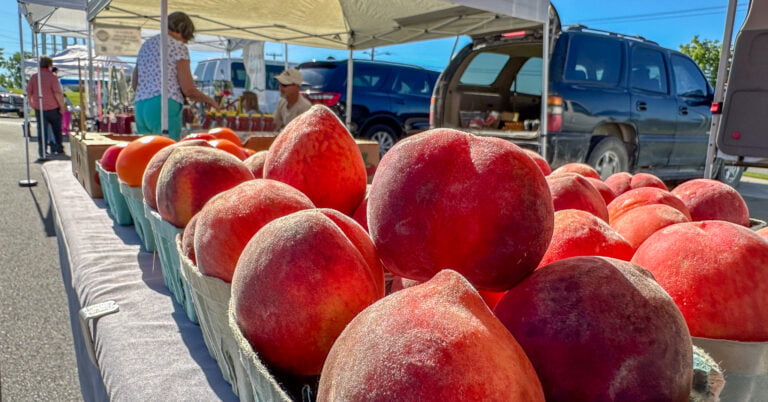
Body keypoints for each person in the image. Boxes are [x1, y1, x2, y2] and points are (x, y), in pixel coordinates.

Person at [132, 11, 217, 140]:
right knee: (168, 149)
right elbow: (188, 89)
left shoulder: (146, 45)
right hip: (164, 105)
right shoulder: (178, 47)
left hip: (141, 105)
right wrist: (210, 101)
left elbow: (135, 83)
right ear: (184, 30)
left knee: (147, 150)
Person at [27, 56, 66, 159]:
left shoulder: (34, 77)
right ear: (50, 64)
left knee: (42, 131)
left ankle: (42, 151)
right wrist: (62, 106)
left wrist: (31, 103)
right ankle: (59, 148)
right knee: (57, 130)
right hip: (53, 107)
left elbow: (29, 92)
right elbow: (57, 93)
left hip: (39, 107)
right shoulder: (52, 77)